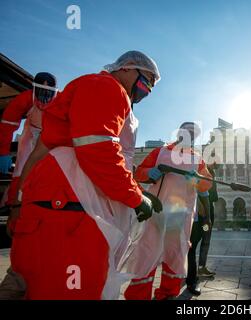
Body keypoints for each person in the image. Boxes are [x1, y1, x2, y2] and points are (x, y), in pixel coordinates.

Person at [8, 51, 162, 300]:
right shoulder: (106, 87)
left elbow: (37, 155)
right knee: (75, 289)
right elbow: (98, 150)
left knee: (32, 284)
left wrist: (18, 203)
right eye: (144, 84)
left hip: (54, 205)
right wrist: (134, 197)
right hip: (72, 208)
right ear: (126, 69)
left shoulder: (90, 89)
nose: (143, 94)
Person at [121, 122, 212, 300]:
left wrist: (196, 181)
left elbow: (206, 184)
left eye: (193, 133)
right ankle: (138, 296)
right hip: (156, 212)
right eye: (186, 130)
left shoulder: (197, 159)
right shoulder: (160, 152)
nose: (189, 135)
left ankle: (167, 294)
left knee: (175, 256)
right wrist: (150, 173)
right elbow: (138, 173)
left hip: (181, 217)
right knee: (147, 255)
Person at [0, 72, 58, 207]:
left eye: (48, 93)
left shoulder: (61, 100)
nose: (44, 98)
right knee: (21, 168)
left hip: (50, 133)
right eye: (41, 91)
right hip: (30, 131)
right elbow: (7, 125)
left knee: (50, 169)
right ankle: (11, 203)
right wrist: (3, 152)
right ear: (34, 89)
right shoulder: (23, 99)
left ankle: (41, 203)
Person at [197, 158, 219, 277]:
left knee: (206, 238)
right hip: (202, 208)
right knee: (195, 239)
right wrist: (205, 214)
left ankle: (201, 267)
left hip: (209, 206)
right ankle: (188, 269)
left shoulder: (210, 170)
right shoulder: (201, 169)